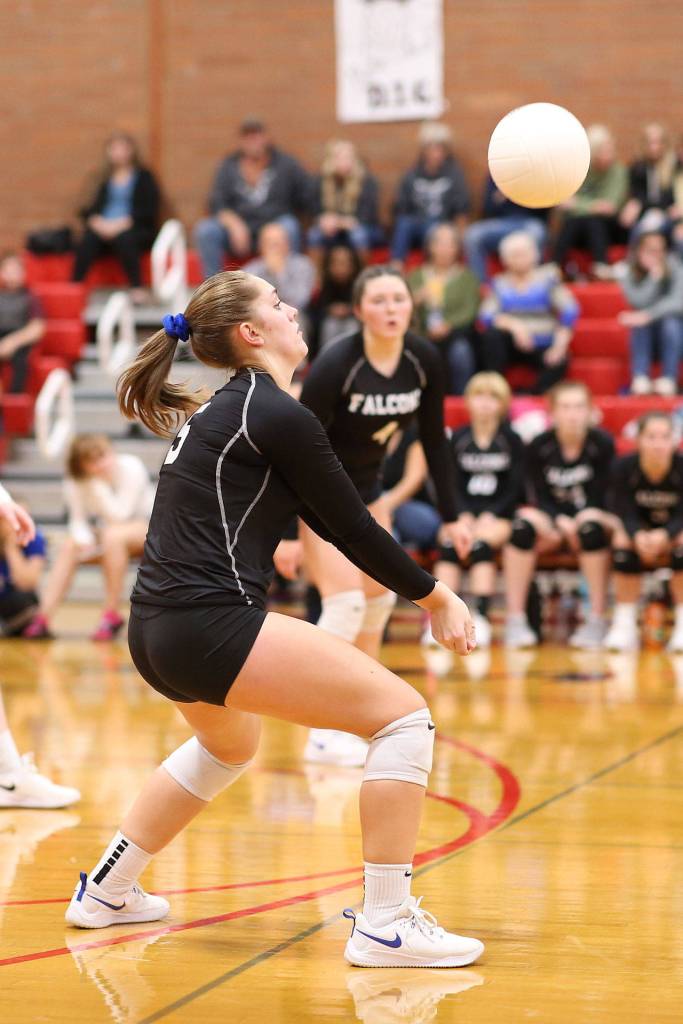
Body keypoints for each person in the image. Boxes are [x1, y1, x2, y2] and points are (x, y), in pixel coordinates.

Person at [64, 271, 484, 971]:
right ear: (251, 334)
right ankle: (384, 923)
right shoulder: (272, 411)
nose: (294, 311)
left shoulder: (237, 408)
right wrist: (437, 597)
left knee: (228, 748)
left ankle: (107, 889)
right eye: (278, 305)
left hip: (156, 630)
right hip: (206, 623)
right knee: (403, 720)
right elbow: (352, 525)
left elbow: (323, 517)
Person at [285, 266, 464, 767]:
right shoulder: (337, 364)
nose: (390, 309)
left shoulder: (423, 359)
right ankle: (318, 728)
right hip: (319, 498)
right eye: (379, 301)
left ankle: (359, 717)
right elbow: (293, 445)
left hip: (368, 495)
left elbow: (433, 439)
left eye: (398, 300)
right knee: (344, 606)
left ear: (412, 307)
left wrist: (452, 515)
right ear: (361, 310)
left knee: (380, 601)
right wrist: (284, 533)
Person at [503, 381, 616, 649]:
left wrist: (579, 518)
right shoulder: (539, 446)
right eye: (565, 407)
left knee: (591, 529)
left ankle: (596, 620)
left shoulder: (602, 443)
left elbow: (605, 495)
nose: (572, 414)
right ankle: (516, 620)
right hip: (552, 523)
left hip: (592, 517)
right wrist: (557, 520)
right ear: (553, 412)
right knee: (521, 529)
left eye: (579, 407)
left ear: (589, 411)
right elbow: (537, 494)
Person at [23, 434, 154, 641]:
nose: (102, 463)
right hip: (109, 534)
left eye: (104, 455)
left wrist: (98, 488)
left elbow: (121, 515)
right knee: (70, 545)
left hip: (146, 530)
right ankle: (43, 617)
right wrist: (83, 541)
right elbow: (77, 521)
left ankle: (110, 614)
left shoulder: (131, 467)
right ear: (81, 466)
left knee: (112, 536)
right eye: (92, 461)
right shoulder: (74, 482)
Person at [428, 373, 525, 649]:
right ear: (468, 401)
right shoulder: (457, 438)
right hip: (463, 515)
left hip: (498, 515)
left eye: (492, 396)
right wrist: (461, 514)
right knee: (450, 544)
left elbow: (515, 486)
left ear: (503, 403)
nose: (485, 403)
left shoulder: (512, 440)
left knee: (480, 546)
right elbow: (448, 483)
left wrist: (492, 513)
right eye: (479, 395)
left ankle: (479, 617)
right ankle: (442, 616)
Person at [0, 483, 80, 808]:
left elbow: (26, 581)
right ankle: (10, 774)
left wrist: (4, 501)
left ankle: (9, 773)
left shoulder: (27, 540)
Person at [193, 118, 312, 278]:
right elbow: (216, 203)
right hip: (238, 230)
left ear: (266, 138)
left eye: (256, 135)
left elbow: (306, 196)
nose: (253, 141)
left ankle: (291, 285)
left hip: (274, 225)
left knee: (290, 226)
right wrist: (234, 224)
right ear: (240, 141)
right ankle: (214, 291)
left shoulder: (285, 164)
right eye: (247, 137)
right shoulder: (228, 167)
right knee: (206, 230)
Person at [605, 412, 683, 652]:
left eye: (664, 437)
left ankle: (682, 623)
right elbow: (622, 508)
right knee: (621, 538)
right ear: (638, 440)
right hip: (638, 529)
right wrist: (637, 534)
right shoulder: (623, 467)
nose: (658, 443)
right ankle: (624, 622)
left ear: (674, 440)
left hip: (673, 531)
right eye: (651, 437)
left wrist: (666, 535)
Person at [480, 231, 579, 394]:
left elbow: (570, 310)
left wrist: (559, 346)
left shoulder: (548, 279)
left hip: (543, 341)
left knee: (561, 360)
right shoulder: (500, 283)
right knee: (491, 337)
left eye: (524, 253)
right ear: (505, 259)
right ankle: (495, 388)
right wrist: (514, 326)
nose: (520, 259)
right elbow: (486, 316)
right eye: (514, 255)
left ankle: (534, 394)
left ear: (535, 255)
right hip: (511, 341)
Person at [72, 133, 160, 302]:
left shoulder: (144, 177)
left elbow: (149, 210)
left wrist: (123, 223)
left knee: (125, 238)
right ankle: (75, 286)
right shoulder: (102, 179)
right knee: (88, 240)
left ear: (132, 151)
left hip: (134, 228)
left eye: (122, 148)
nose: (118, 152)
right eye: (114, 148)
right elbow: (88, 208)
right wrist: (96, 221)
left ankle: (137, 286)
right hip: (104, 227)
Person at [408, 224, 481, 395]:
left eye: (450, 244)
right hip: (423, 333)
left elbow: (470, 310)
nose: (444, 249)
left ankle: (460, 397)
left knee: (461, 352)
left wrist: (448, 325)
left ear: (457, 248)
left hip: (454, 335)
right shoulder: (416, 275)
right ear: (430, 247)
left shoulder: (467, 277)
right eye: (439, 243)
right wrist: (416, 300)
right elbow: (403, 307)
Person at [553, 125, 628, 279]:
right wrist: (593, 205)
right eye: (603, 151)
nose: (609, 155)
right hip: (580, 228)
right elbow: (564, 204)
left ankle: (601, 265)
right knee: (576, 220)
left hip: (610, 229)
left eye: (610, 150)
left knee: (591, 220)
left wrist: (578, 204)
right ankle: (553, 267)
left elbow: (609, 207)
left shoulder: (618, 171)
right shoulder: (579, 169)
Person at [390, 122, 470, 265]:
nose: (436, 153)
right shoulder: (412, 174)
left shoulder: (454, 174)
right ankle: (396, 265)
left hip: (442, 223)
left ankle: (430, 269)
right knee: (403, 224)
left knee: (434, 228)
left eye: (440, 148)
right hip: (417, 222)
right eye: (432, 148)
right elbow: (400, 206)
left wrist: (460, 233)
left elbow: (462, 207)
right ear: (424, 150)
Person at [618, 230, 683, 395]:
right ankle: (640, 378)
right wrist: (653, 280)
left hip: (674, 336)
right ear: (639, 251)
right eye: (650, 250)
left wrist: (648, 315)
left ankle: (669, 377)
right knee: (639, 323)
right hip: (646, 337)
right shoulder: (628, 271)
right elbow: (637, 301)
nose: (657, 255)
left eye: (660, 250)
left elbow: (678, 302)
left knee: (670, 321)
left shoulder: (675, 266)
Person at [463, 173, 549, 282]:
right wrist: (501, 195)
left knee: (537, 232)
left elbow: (545, 209)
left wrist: (526, 193)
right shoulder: (497, 172)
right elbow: (487, 209)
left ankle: (534, 284)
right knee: (473, 234)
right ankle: (481, 287)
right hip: (500, 223)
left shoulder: (536, 174)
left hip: (527, 222)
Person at [307, 139, 381, 260]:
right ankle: (317, 277)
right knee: (314, 235)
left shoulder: (366, 181)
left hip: (361, 226)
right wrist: (322, 220)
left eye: (348, 158)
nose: (344, 162)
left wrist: (343, 222)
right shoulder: (321, 180)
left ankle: (363, 275)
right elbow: (314, 209)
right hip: (331, 228)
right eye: (339, 158)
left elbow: (367, 215)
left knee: (359, 235)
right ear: (331, 160)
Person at [243, 223, 317, 332]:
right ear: (261, 247)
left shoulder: (303, 265)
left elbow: (300, 300)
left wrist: (278, 274)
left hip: (293, 314)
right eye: (270, 244)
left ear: (288, 244)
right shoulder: (250, 270)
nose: (275, 248)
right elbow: (248, 302)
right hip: (262, 316)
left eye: (278, 243)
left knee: (296, 317)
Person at [619, 123, 683, 243]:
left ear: (665, 144)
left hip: (668, 216)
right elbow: (636, 196)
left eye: (658, 142)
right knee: (635, 224)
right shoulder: (637, 168)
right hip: (644, 214)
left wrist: (643, 204)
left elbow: (671, 199)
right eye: (650, 143)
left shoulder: (673, 167)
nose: (654, 147)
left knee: (649, 225)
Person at [382, 425, 440, 553]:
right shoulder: (364, 433)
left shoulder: (414, 433)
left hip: (408, 505)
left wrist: (382, 507)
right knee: (384, 534)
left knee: (379, 530)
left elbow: (415, 480)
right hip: (369, 504)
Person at [0, 253, 45, 394]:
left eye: (16, 269)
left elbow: (37, 328)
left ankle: (15, 401)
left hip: (19, 342)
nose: (12, 274)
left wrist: (11, 342)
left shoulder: (30, 297)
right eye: (9, 269)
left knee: (22, 361)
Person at [307, 243, 362, 359]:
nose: (341, 268)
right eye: (336, 263)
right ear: (329, 265)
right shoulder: (323, 284)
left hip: (353, 320)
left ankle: (353, 359)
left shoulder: (359, 284)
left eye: (345, 263)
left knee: (351, 326)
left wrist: (349, 310)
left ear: (353, 265)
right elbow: (315, 312)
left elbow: (364, 309)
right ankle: (326, 360)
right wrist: (329, 310)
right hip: (327, 323)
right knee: (330, 325)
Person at [0, 503, 45, 636]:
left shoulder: (33, 539)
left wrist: (11, 547)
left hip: (17, 607)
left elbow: (27, 583)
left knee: (26, 601)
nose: (19, 526)